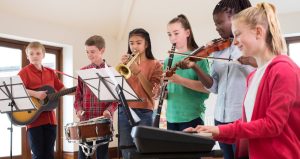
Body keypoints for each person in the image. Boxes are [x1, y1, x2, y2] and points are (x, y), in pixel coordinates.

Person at [186, 2, 300, 159]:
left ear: (258, 32)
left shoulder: (284, 69)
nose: (234, 42)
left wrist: (219, 130)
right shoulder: (253, 77)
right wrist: (210, 131)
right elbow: (249, 124)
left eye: (238, 34)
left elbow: (272, 125)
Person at [177, 1, 255, 158]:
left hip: (242, 117)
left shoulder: (251, 43)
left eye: (220, 23)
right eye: (215, 24)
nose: (217, 28)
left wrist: (244, 59)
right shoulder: (219, 50)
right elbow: (214, 87)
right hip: (220, 118)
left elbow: (265, 64)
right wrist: (195, 67)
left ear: (235, 18)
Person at [118, 28, 163, 159]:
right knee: (126, 150)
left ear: (146, 44)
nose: (134, 46)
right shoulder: (125, 63)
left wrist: (137, 72)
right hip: (124, 110)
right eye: (131, 43)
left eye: (138, 42)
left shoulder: (156, 64)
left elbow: (152, 92)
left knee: (144, 150)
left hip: (145, 111)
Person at [18, 41, 65, 159]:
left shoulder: (50, 72)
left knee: (49, 154)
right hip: (33, 120)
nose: (35, 56)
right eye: (31, 54)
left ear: (43, 55)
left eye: (38, 53)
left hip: (50, 120)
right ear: (27, 56)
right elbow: (17, 90)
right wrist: (36, 94)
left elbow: (62, 88)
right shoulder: (24, 72)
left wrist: (79, 90)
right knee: (38, 154)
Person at [74, 35, 118, 159]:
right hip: (85, 121)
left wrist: (109, 111)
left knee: (102, 155)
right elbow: (78, 96)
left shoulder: (112, 72)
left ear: (102, 50)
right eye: (87, 52)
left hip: (103, 122)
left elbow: (116, 99)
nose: (89, 55)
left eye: (92, 52)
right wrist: (78, 109)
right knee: (83, 156)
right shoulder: (83, 72)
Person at [164, 14, 210, 132]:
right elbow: (168, 93)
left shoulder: (199, 58)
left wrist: (180, 80)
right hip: (171, 118)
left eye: (176, 33)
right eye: (169, 35)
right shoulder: (167, 61)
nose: (172, 38)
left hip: (192, 117)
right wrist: (160, 92)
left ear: (187, 33)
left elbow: (207, 88)